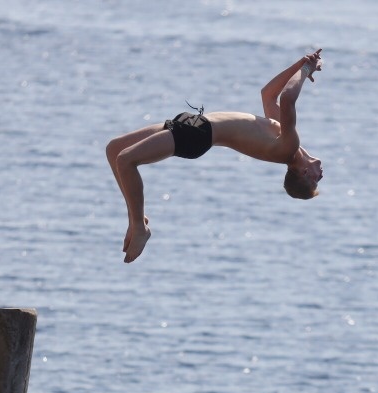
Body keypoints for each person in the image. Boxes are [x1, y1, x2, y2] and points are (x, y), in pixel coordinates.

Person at [106, 49, 324, 263]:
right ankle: (135, 218)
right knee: (114, 149)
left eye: (316, 179)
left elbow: (288, 98)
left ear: (304, 173)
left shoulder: (288, 148)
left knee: (126, 160)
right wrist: (299, 64)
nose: (321, 174)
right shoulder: (285, 139)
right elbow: (268, 95)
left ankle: (139, 227)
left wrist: (306, 69)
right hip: (193, 122)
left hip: (198, 135)